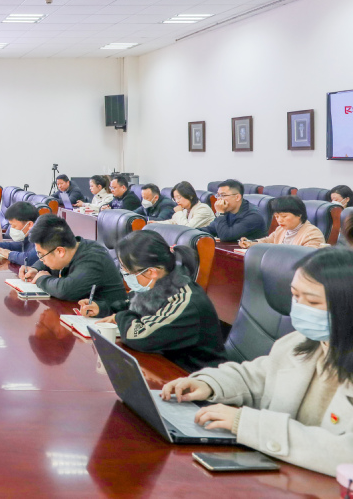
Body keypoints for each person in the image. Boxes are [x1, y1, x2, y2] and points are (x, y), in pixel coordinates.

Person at [160, 248, 353, 475]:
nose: (299, 307)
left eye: (312, 301)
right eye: (295, 296)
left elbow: (346, 453)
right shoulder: (299, 343)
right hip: (281, 473)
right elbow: (255, 377)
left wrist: (248, 424)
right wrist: (209, 383)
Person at [79, 230, 225, 372]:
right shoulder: (161, 284)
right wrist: (103, 309)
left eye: (126, 270)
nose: (124, 274)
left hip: (194, 377)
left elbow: (140, 336)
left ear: (151, 272)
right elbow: (133, 307)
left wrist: (120, 317)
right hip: (163, 365)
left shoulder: (186, 301)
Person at [18, 214, 125, 302]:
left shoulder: (93, 258)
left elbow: (65, 290)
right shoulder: (72, 247)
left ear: (60, 251)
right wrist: (35, 269)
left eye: (41, 255)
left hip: (109, 317)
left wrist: (41, 279)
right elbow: (48, 258)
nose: (41, 260)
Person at [239, 196, 325, 248]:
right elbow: (267, 241)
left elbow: (309, 259)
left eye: (284, 216)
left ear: (299, 215)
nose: (279, 220)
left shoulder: (312, 234)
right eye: (276, 216)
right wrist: (250, 243)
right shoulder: (281, 229)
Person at [198, 179, 267, 242]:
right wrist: (193, 232)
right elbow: (211, 229)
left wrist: (220, 213)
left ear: (237, 197)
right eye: (218, 195)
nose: (219, 199)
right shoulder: (228, 209)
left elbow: (226, 236)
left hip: (248, 251)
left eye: (223, 195)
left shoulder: (253, 216)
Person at [0, 201, 40, 266]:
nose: (11, 229)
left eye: (14, 226)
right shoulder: (28, 236)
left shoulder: (41, 238)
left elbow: (28, 259)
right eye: (11, 225)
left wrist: (9, 254)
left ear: (29, 224)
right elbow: (13, 246)